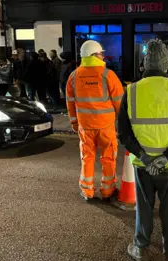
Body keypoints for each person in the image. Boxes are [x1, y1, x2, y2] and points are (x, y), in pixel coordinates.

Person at [117, 39, 168, 261]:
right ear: (167, 63)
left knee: (144, 208)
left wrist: (143, 156)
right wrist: (166, 156)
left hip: (143, 166)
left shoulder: (131, 91)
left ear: (144, 62)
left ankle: (141, 249)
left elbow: (123, 133)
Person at [66, 40, 124, 200]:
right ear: (93, 55)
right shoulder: (108, 75)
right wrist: (123, 124)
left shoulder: (74, 76)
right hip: (105, 126)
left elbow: (70, 103)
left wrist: (74, 123)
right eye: (100, 54)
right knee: (108, 158)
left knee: (87, 157)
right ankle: (108, 190)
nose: (103, 56)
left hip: (85, 126)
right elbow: (120, 103)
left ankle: (87, 190)